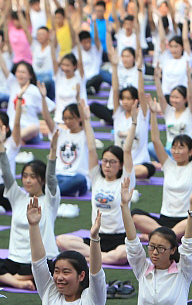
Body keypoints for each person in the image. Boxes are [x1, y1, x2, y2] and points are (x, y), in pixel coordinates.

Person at [102, 173, 192, 305]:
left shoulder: (183, 271)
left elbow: (189, 244)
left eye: (161, 249)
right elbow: (132, 243)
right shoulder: (143, 269)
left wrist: (191, 206)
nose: (154, 253)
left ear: (173, 250)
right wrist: (124, 206)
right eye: (152, 247)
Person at [56, 100, 134, 265]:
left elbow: (127, 150)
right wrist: (86, 120)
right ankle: (100, 257)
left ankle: (92, 258)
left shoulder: (125, 181)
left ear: (120, 165)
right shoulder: (96, 178)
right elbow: (91, 148)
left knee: (123, 254)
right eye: (104, 161)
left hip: (119, 238)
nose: (107, 165)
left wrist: (133, 123)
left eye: (112, 162)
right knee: (61, 240)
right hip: (97, 238)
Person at [0, 125, 59, 289]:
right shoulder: (17, 197)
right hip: (15, 262)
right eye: (25, 176)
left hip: (39, 261)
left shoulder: (50, 200)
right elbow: (6, 174)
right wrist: (1, 146)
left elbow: (52, 176)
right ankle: (17, 281)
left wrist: (53, 152)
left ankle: (3, 280)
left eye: (33, 177)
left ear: (42, 180)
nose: (27, 180)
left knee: (53, 267)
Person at [132, 96, 192, 238]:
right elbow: (155, 140)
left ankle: (159, 236)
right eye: (174, 148)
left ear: (190, 152)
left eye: (181, 148)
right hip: (165, 219)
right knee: (134, 215)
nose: (176, 151)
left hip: (186, 219)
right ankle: (165, 235)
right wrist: (153, 113)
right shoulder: (168, 164)